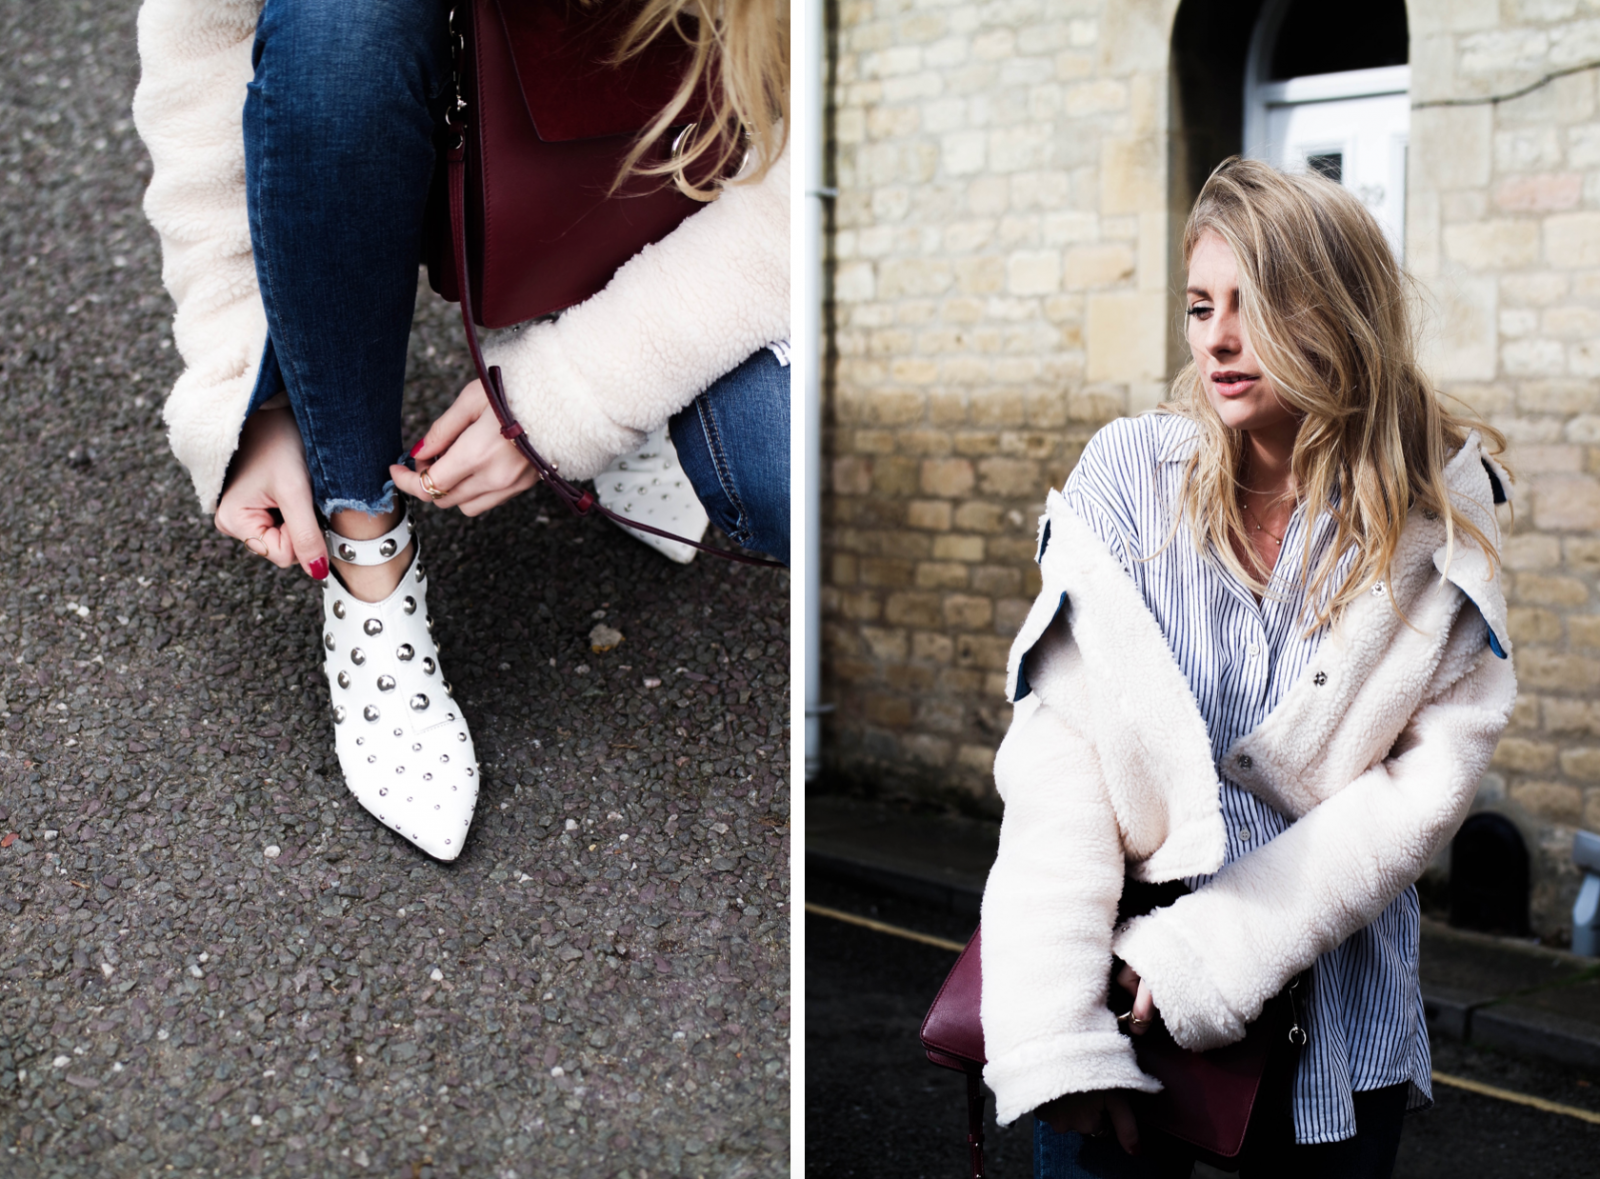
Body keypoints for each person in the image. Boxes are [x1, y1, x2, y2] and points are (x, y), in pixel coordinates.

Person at [132, 0, 789, 860]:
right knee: (339, 31)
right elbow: (201, 48)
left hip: (701, 133)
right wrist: (249, 386)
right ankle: (365, 552)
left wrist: (579, 391)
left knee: (775, 468)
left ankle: (583, 313)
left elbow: (810, 183)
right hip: (423, 58)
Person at [978, 158, 1517, 1178]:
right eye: (1199, 306)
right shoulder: (1127, 474)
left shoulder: (1438, 516)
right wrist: (1055, 1027)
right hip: (1113, 995)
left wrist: (1212, 955)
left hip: (1334, 1017)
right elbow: (1060, 753)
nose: (1217, 339)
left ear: (1338, 315)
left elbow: (1424, 786)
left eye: (1254, 307)